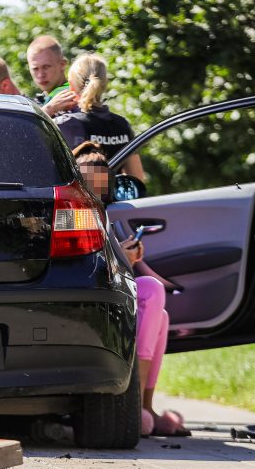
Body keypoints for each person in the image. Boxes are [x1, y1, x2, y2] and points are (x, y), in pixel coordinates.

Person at [72, 141, 189, 436]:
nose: (92, 185)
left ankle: (145, 405)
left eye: (99, 179)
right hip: (88, 303)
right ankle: (137, 404)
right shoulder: (74, 212)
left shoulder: (104, 214)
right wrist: (124, 257)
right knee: (150, 289)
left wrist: (128, 257)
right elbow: (87, 267)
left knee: (159, 312)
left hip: (109, 298)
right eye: (85, 177)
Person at [56, 53, 145, 181]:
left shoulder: (66, 123)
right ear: (105, 84)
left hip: (83, 200)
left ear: (71, 86)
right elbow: (137, 179)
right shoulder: (122, 124)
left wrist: (48, 110)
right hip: (116, 200)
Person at [26, 35, 78, 116]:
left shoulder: (70, 96)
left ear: (62, 64)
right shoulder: (43, 99)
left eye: (46, 67)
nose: (41, 75)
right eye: (35, 69)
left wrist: (49, 109)